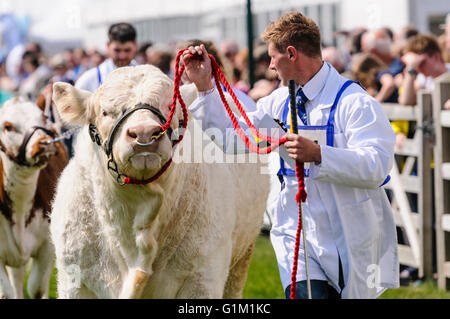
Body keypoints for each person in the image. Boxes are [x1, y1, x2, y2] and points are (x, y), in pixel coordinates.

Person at [181, 11, 398, 299]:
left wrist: (319, 154)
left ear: (292, 54)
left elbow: (377, 166)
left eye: (273, 57)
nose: (270, 66)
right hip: (297, 237)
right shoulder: (277, 102)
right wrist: (204, 86)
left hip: (350, 237)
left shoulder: (355, 103)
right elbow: (238, 140)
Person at [75, 22, 138, 92]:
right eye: (117, 50)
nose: (122, 56)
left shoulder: (145, 76)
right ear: (108, 45)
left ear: (135, 45)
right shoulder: (89, 79)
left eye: (127, 50)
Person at [398, 34, 450, 106]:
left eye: (422, 63)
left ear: (435, 56)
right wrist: (410, 68)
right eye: (416, 64)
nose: (419, 69)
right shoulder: (424, 79)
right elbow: (405, 101)